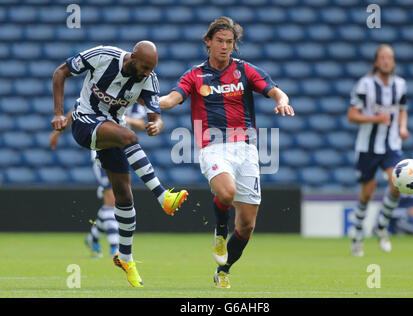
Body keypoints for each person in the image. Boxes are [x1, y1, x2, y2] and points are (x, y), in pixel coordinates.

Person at [159, 17, 294, 288]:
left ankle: (224, 270)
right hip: (213, 147)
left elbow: (276, 92)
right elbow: (171, 99)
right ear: (208, 42)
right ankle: (220, 232)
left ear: (234, 45)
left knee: (246, 225)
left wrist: (282, 101)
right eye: (219, 41)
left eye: (229, 42)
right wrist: (151, 103)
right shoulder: (194, 75)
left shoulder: (245, 71)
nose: (224, 47)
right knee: (226, 192)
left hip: (246, 149)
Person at [51, 41, 188, 287]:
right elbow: (61, 72)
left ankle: (125, 258)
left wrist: (156, 125)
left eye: (151, 68)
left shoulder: (149, 79)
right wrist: (59, 113)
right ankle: (162, 196)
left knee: (124, 196)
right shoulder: (103, 56)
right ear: (133, 57)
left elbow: (156, 117)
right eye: (145, 67)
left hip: (112, 130)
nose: (147, 73)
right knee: (129, 137)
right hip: (84, 122)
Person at [49, 103, 147, 258]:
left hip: (121, 152)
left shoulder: (134, 99)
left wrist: (125, 118)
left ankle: (93, 238)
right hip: (101, 151)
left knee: (114, 201)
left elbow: (141, 123)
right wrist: (58, 132)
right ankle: (115, 248)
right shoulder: (107, 90)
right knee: (111, 199)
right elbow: (77, 109)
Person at [347, 44, 409, 257]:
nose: (386, 61)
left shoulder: (400, 85)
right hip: (368, 147)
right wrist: (375, 118)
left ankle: (381, 226)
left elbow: (402, 110)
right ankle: (357, 235)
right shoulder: (364, 85)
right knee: (367, 193)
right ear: (376, 61)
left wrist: (402, 127)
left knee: (397, 183)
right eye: (382, 57)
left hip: (391, 145)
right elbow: (352, 115)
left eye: (389, 57)